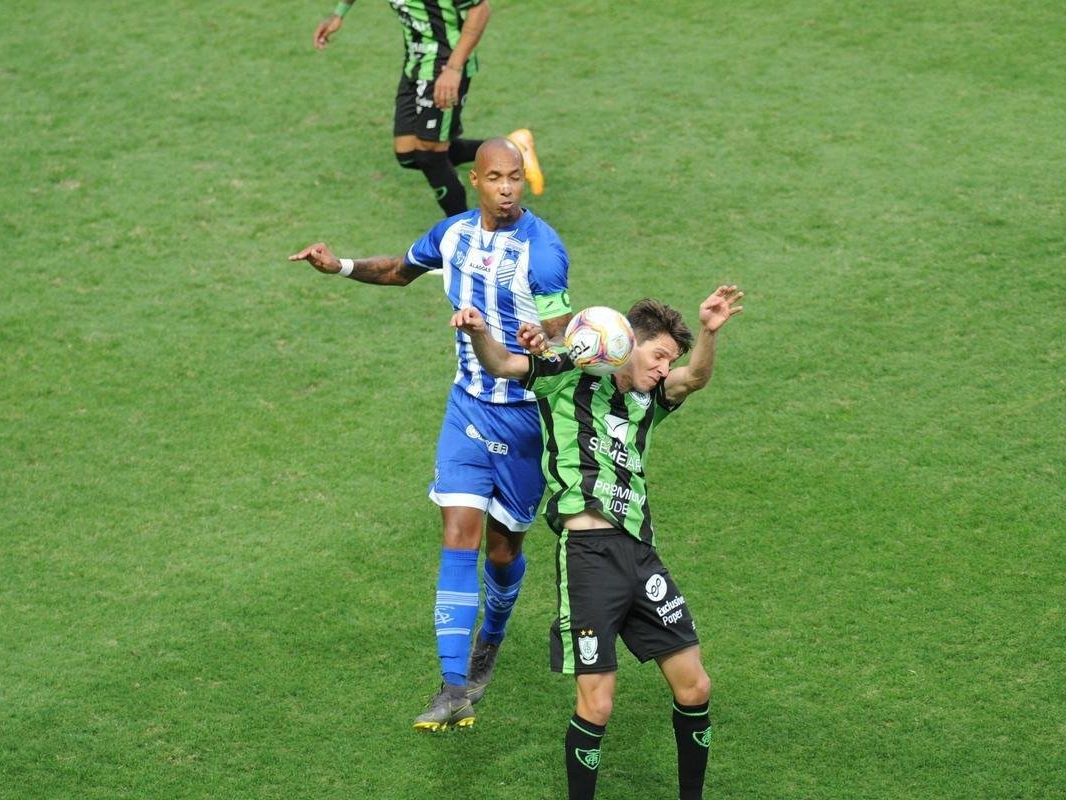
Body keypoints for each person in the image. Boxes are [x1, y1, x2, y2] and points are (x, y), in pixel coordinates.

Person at [289, 138, 571, 732]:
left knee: (503, 551)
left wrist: (544, 337)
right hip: (467, 408)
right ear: (476, 180)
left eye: (515, 178)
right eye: (496, 178)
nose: (507, 189)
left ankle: (490, 640)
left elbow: (560, 326)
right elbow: (400, 270)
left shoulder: (543, 250)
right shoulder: (453, 235)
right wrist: (339, 266)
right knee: (458, 534)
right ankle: (452, 687)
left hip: (525, 417)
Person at [451, 285, 744, 799]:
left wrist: (708, 332)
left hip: (641, 555)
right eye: (659, 357)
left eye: (669, 361)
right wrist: (478, 332)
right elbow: (502, 364)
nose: (664, 369)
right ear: (627, 344)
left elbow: (695, 377)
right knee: (597, 704)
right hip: (588, 558)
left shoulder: (650, 400)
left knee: (696, 686)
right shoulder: (565, 377)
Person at [312, 0, 545, 217]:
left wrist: (453, 69)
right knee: (408, 154)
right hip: (415, 63)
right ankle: (513, 148)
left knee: (429, 155)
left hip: (447, 65)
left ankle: (465, 235)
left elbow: (480, 10)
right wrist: (339, 13)